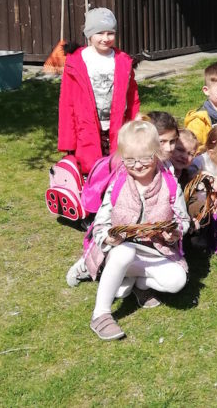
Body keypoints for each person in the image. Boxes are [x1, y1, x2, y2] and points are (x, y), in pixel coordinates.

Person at [69, 120, 190, 340]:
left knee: (177, 281)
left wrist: (175, 232)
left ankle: (134, 283)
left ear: (157, 153)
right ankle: (101, 314)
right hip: (120, 250)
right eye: (130, 160)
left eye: (145, 158)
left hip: (156, 251)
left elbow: (183, 220)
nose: (137, 165)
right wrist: (108, 237)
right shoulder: (118, 183)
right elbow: (101, 222)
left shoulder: (170, 183)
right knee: (124, 253)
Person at [58, 7, 141, 177]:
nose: (105, 38)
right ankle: (90, 200)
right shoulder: (76, 62)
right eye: (100, 33)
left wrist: (135, 123)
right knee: (90, 170)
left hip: (117, 127)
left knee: (118, 169)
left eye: (110, 33)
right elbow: (67, 102)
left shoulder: (123, 61)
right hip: (85, 129)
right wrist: (67, 141)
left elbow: (132, 96)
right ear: (89, 34)